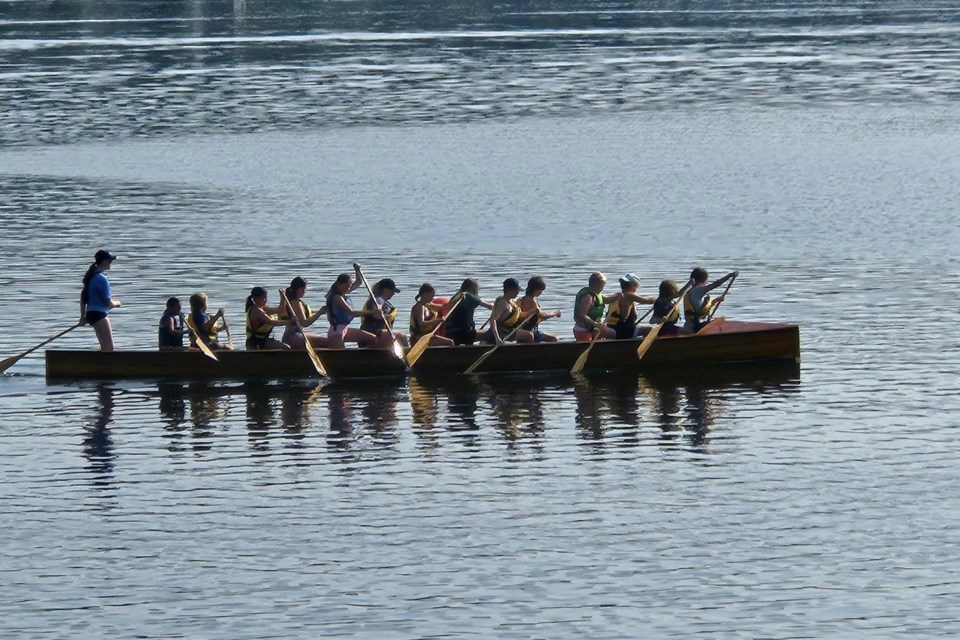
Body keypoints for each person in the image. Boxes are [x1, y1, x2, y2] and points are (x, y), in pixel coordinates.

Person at [324, 265, 377, 349]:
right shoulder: (336, 298)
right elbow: (352, 313)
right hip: (336, 332)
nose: (349, 288)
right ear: (340, 285)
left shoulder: (342, 291)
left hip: (344, 329)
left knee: (372, 338)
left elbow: (359, 282)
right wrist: (371, 312)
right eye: (347, 286)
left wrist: (357, 270)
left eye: (349, 285)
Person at [80, 249, 121, 351]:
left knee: (105, 348)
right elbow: (108, 302)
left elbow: (83, 299)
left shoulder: (91, 277)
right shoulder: (101, 279)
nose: (111, 262)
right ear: (103, 261)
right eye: (109, 260)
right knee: (108, 348)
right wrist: (117, 303)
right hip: (99, 314)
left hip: (91, 314)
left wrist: (83, 317)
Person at [439, 278, 494, 346]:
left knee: (477, 332)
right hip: (462, 334)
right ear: (473, 288)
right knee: (490, 333)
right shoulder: (467, 296)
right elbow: (489, 306)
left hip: (450, 334)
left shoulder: (457, 296)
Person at [279, 276, 329, 349]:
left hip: (291, 336)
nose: (305, 290)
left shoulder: (293, 301)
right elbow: (304, 323)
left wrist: (321, 311)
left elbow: (305, 313)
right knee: (327, 342)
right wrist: (320, 313)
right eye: (303, 288)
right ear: (297, 289)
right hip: (293, 337)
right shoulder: (296, 302)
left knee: (321, 339)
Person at [479, 278, 533, 345]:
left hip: (509, 330)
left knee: (529, 335)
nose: (518, 293)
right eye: (517, 290)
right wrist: (497, 338)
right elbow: (493, 320)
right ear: (510, 290)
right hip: (502, 333)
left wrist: (531, 312)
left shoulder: (511, 302)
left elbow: (519, 315)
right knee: (529, 336)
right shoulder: (503, 303)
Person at [604, 273, 657, 339]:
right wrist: (659, 299)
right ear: (633, 285)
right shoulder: (629, 295)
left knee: (639, 327)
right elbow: (647, 300)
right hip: (624, 331)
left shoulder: (616, 296)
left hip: (612, 327)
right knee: (652, 330)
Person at [361, 278, 410, 348]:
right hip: (374, 332)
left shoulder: (381, 301)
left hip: (372, 332)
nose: (393, 293)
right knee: (402, 336)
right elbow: (376, 314)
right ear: (385, 290)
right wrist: (384, 315)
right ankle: (408, 355)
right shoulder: (379, 300)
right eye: (392, 291)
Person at [517, 276, 561, 343]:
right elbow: (542, 315)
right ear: (536, 290)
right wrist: (555, 313)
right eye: (541, 290)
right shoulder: (532, 301)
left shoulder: (521, 299)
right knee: (555, 339)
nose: (541, 292)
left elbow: (532, 319)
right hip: (531, 331)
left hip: (526, 329)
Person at [573, 272, 614, 341]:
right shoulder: (588, 297)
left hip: (594, 328)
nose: (602, 289)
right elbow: (582, 316)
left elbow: (606, 299)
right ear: (596, 285)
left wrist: (618, 296)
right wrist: (596, 324)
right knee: (587, 346)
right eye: (602, 286)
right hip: (583, 329)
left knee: (612, 333)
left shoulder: (596, 293)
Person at [409, 283, 454, 347]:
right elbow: (420, 323)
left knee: (451, 342)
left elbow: (444, 307)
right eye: (431, 296)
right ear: (424, 294)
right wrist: (436, 321)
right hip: (419, 338)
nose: (432, 299)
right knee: (450, 342)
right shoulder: (419, 307)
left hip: (427, 336)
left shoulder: (428, 305)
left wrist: (458, 298)